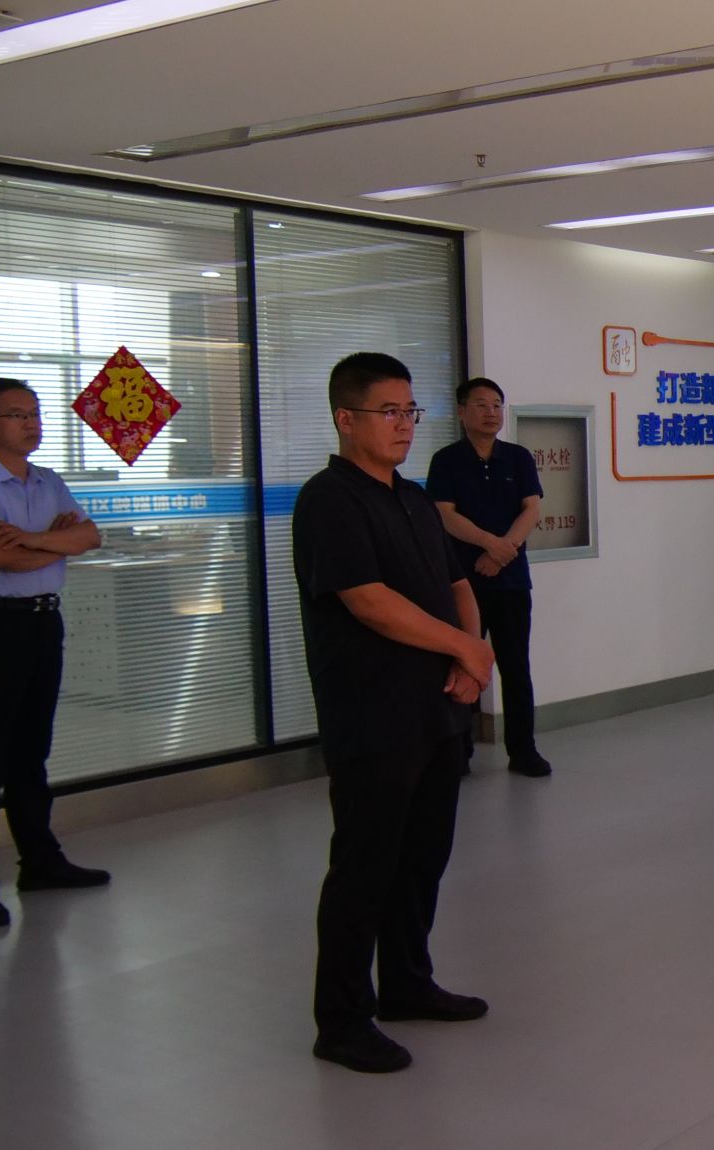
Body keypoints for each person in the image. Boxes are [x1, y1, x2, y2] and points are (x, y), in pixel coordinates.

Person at [292, 352, 497, 1073]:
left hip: (437, 710)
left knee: (421, 859)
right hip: (372, 717)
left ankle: (407, 983)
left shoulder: (411, 498)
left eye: (410, 411)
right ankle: (342, 1019)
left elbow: (456, 582)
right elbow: (369, 602)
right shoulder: (328, 500)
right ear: (346, 419)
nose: (405, 424)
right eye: (389, 412)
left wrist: (469, 656)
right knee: (365, 867)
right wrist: (467, 650)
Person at [0, 378, 109, 928]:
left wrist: (30, 539)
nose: (30, 424)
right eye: (16, 415)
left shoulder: (48, 480)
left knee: (31, 752)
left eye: (34, 414)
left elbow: (90, 537)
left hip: (41, 622)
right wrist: (54, 545)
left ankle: (39, 862)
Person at [426, 377, 549, 777]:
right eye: (481, 405)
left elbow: (531, 510)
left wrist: (502, 552)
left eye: (496, 405)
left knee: (516, 668)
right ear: (462, 412)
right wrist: (488, 544)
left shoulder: (518, 457)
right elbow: (444, 515)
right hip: (463, 583)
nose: (491, 412)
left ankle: (523, 750)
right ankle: (458, 750)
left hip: (511, 582)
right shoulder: (446, 460)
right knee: (461, 664)